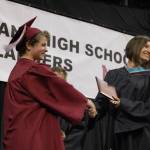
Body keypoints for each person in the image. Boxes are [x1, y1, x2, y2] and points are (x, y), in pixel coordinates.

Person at [2, 17, 97, 150]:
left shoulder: (16, 71)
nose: (46, 49)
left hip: (18, 136)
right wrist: (85, 101)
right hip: (31, 139)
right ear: (29, 45)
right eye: (43, 45)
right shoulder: (32, 70)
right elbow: (59, 88)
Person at [90, 35, 150, 150]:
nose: (149, 50)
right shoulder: (113, 74)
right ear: (135, 46)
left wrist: (122, 103)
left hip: (140, 135)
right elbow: (101, 102)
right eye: (146, 46)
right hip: (114, 134)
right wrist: (94, 109)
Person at [52, 66, 93, 150]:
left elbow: (77, 135)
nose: (58, 84)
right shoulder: (40, 101)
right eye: (55, 80)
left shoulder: (75, 106)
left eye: (61, 82)